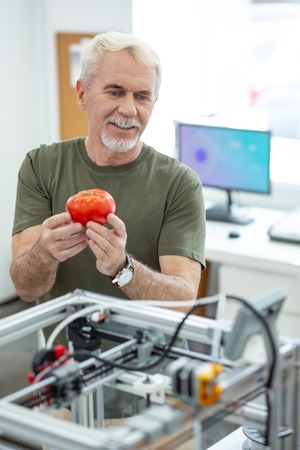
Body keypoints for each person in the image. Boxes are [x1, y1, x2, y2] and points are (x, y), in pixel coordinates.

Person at [10, 30, 205, 319]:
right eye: (115, 92)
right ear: (82, 94)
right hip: (69, 358)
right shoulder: (41, 166)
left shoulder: (179, 184)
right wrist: (45, 254)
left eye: (142, 97)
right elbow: (26, 288)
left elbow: (182, 300)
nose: (128, 109)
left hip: (153, 361)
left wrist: (122, 268)